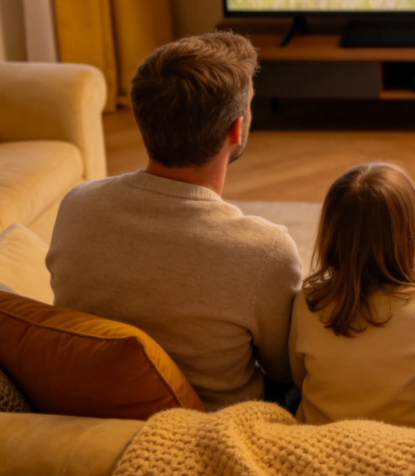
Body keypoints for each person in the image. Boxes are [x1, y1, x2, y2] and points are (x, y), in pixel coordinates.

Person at [47, 31, 302, 410]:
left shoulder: (77, 206)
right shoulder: (265, 251)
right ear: (237, 128)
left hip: (88, 406)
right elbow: (284, 367)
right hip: (207, 423)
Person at [289, 161, 415, 426]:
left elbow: (300, 381)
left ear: (330, 234)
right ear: (410, 234)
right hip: (413, 445)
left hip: (322, 440)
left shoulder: (307, 302)